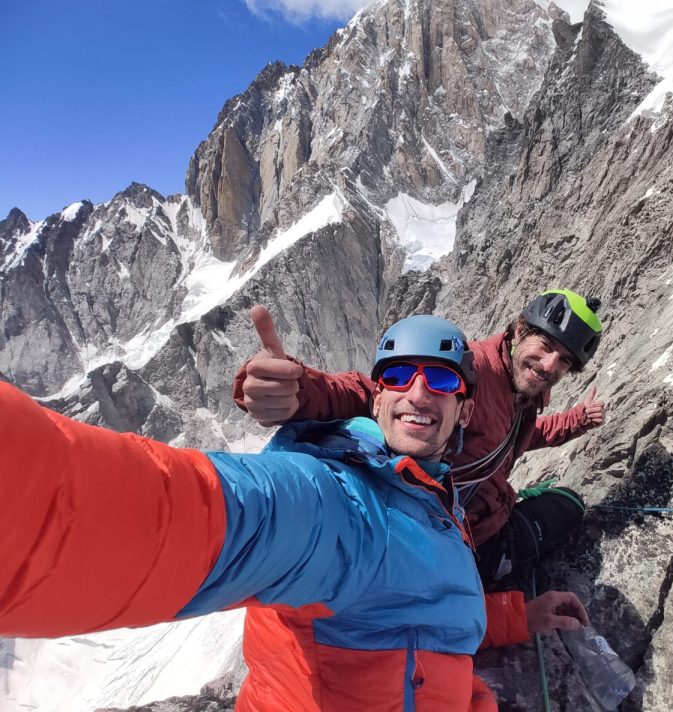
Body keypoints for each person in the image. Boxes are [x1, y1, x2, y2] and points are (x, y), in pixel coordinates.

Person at [0, 315, 589, 712]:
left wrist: (517, 616)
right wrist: (299, 391)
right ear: (374, 394)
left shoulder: (432, 497)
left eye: (438, 379)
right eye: (397, 376)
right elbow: (169, 514)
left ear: (462, 407)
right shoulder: (339, 508)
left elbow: (419, 611)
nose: (417, 392)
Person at [234, 289, 606, 585]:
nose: (550, 366)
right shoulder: (470, 368)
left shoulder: (524, 390)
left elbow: (514, 439)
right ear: (520, 330)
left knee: (567, 503)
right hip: (454, 540)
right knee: (568, 506)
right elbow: (373, 395)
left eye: (564, 362)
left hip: (479, 522)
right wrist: (299, 391)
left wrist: (576, 421)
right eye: (546, 347)